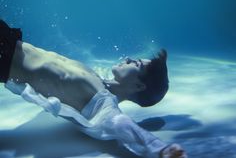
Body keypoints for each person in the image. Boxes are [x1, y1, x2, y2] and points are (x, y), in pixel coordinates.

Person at [0, 19, 187, 158]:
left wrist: (160, 148)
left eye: (136, 64)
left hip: (4, 58)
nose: (130, 59)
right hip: (9, 41)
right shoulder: (97, 79)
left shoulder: (104, 105)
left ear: (138, 85)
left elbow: (122, 124)